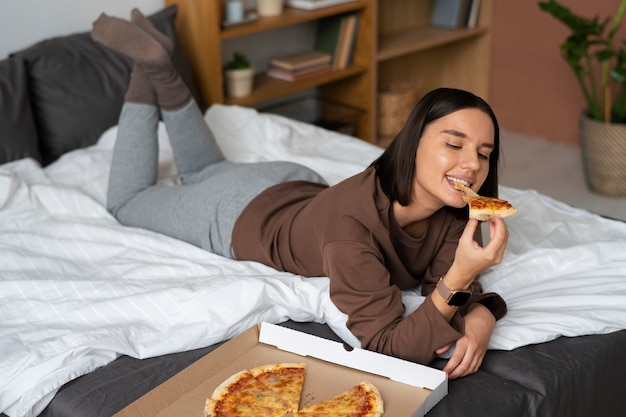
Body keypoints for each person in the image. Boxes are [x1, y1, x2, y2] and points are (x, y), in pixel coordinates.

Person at [91, 10, 508, 379]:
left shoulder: (455, 209)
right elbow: (386, 346)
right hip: (236, 213)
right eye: (454, 145)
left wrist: (482, 313)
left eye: (483, 154)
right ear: (412, 141)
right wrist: (462, 280)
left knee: (204, 169)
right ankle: (149, 67)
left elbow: (446, 287)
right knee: (127, 203)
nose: (472, 164)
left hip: (293, 184)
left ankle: (161, 67)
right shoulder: (351, 230)